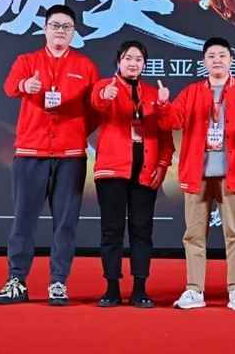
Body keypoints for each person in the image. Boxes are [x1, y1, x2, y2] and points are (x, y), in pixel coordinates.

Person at [0, 4, 99, 306]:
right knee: (23, 220)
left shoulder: (85, 66)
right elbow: (9, 87)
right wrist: (26, 84)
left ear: (74, 32)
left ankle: (58, 282)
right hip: (31, 151)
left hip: (70, 155)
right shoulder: (27, 61)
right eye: (55, 25)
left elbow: (95, 110)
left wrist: (76, 129)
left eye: (66, 27)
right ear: (45, 29)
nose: (60, 31)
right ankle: (16, 280)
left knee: (66, 222)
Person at [157, 37, 235, 310]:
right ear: (204, 62)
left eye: (222, 55)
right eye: (211, 56)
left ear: (231, 61)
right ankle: (194, 290)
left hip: (234, 172)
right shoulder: (191, 92)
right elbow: (172, 122)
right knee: (193, 235)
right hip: (197, 173)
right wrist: (163, 104)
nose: (217, 60)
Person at [90, 40, 174, 308]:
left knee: (142, 230)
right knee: (111, 230)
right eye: (128, 58)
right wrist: (106, 96)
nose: (133, 63)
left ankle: (140, 288)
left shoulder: (154, 93)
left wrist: (162, 165)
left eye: (139, 59)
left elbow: (167, 132)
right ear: (119, 62)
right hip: (112, 171)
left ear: (145, 64)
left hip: (145, 172)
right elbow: (97, 104)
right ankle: (111, 288)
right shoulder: (105, 87)